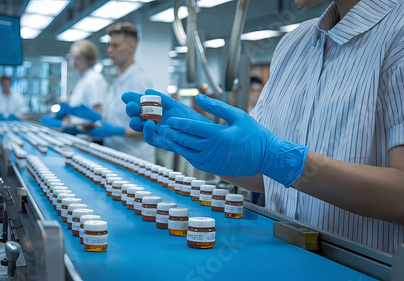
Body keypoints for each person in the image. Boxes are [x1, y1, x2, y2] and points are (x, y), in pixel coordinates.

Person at [123, 0, 404, 254]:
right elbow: (265, 174)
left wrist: (282, 159)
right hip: (280, 256)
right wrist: (200, 143)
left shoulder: (397, 31)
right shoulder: (294, 44)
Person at [88, 22, 155, 162]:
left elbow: (152, 125)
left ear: (132, 47)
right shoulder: (117, 81)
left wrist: (118, 131)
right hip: (115, 154)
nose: (109, 50)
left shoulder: (141, 80)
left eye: (115, 46)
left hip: (136, 160)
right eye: (108, 46)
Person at [65, 40, 107, 122]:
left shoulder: (93, 79)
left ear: (89, 59)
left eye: (78, 58)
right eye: (71, 56)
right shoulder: (83, 78)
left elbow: (99, 113)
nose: (73, 61)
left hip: (88, 133)